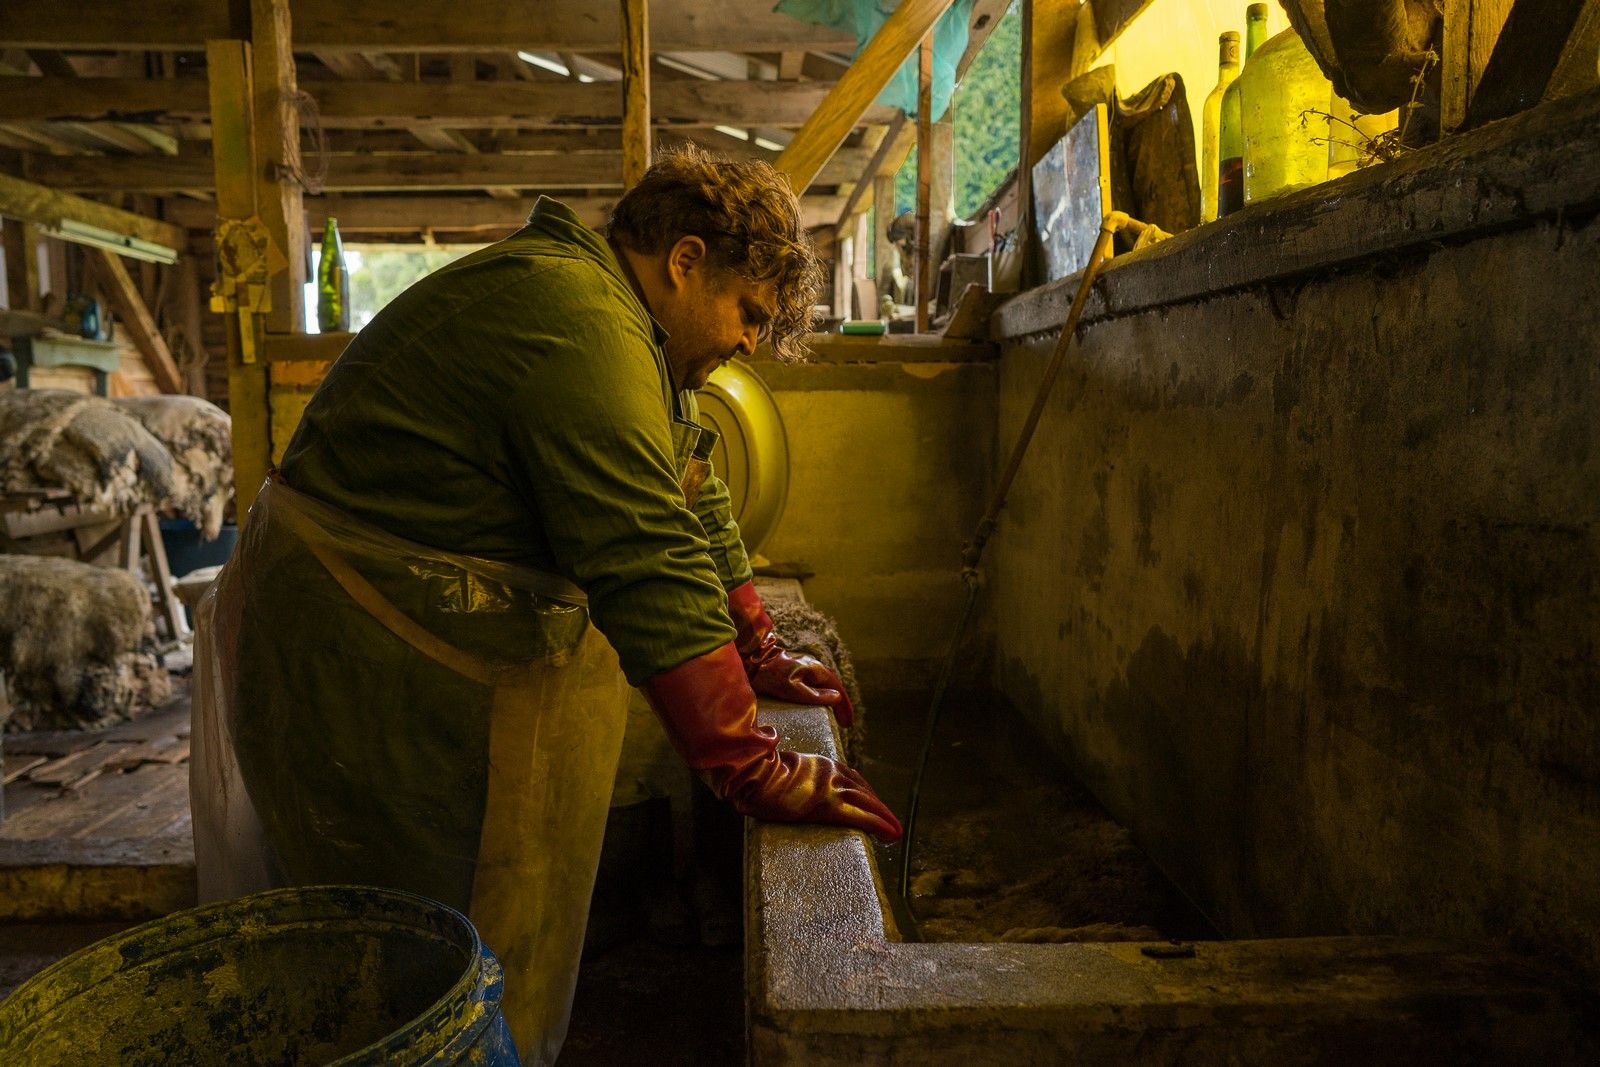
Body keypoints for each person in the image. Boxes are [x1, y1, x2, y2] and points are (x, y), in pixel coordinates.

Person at [190, 147, 901, 1064]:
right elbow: (644, 553)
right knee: (396, 944)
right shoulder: (581, 326)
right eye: (747, 312)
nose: (749, 341)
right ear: (684, 262)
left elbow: (690, 485)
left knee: (444, 924)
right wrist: (748, 763)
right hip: (349, 648)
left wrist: (757, 644)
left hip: (390, 630)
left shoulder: (619, 329)